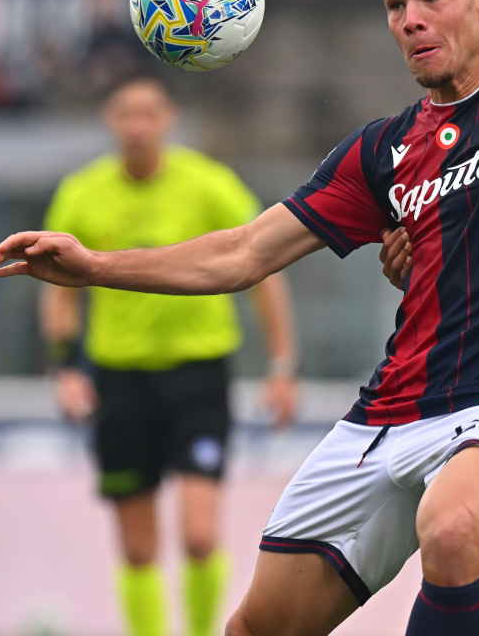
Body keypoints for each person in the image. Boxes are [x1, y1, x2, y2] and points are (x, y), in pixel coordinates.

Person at [0, 0, 479, 636]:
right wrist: (92, 267)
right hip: (388, 412)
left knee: (454, 532)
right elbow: (244, 254)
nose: (411, 19)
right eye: (397, 4)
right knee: (255, 627)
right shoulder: (382, 149)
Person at [39, 76, 300, 636]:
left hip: (197, 375)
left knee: (200, 535)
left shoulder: (208, 185)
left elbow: (263, 269)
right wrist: (64, 368)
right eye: (126, 113)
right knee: (137, 549)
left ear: (169, 119)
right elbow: (58, 289)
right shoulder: (81, 193)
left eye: (148, 113)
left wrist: (282, 366)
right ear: (109, 119)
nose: (137, 125)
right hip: (119, 379)